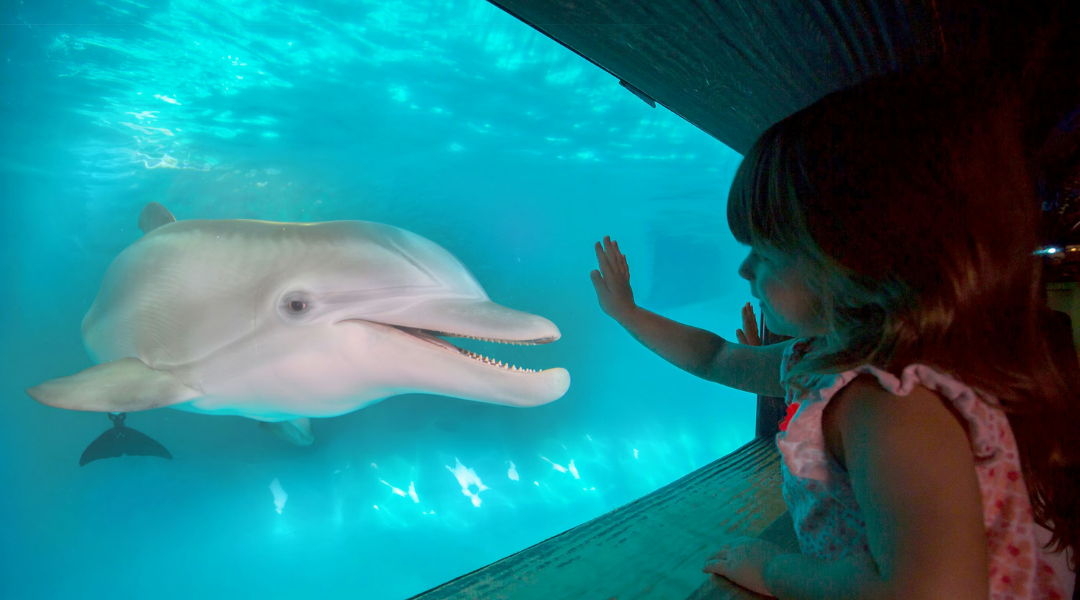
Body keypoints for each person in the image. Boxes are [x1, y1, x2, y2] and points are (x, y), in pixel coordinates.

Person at [590, 66, 1078, 599]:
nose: (745, 270)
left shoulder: (891, 405)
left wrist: (777, 573)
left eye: (769, 252)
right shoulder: (826, 356)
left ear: (859, 264)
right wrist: (628, 314)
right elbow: (716, 357)